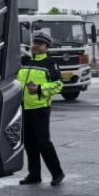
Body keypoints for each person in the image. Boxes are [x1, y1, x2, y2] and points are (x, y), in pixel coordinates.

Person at [16, 30, 65, 186]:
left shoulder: (50, 63)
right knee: (29, 144)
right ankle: (34, 175)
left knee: (43, 143)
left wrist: (39, 88)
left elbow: (58, 85)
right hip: (23, 108)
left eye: (40, 43)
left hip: (40, 108)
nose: (36, 46)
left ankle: (57, 173)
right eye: (34, 42)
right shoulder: (24, 60)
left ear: (46, 47)